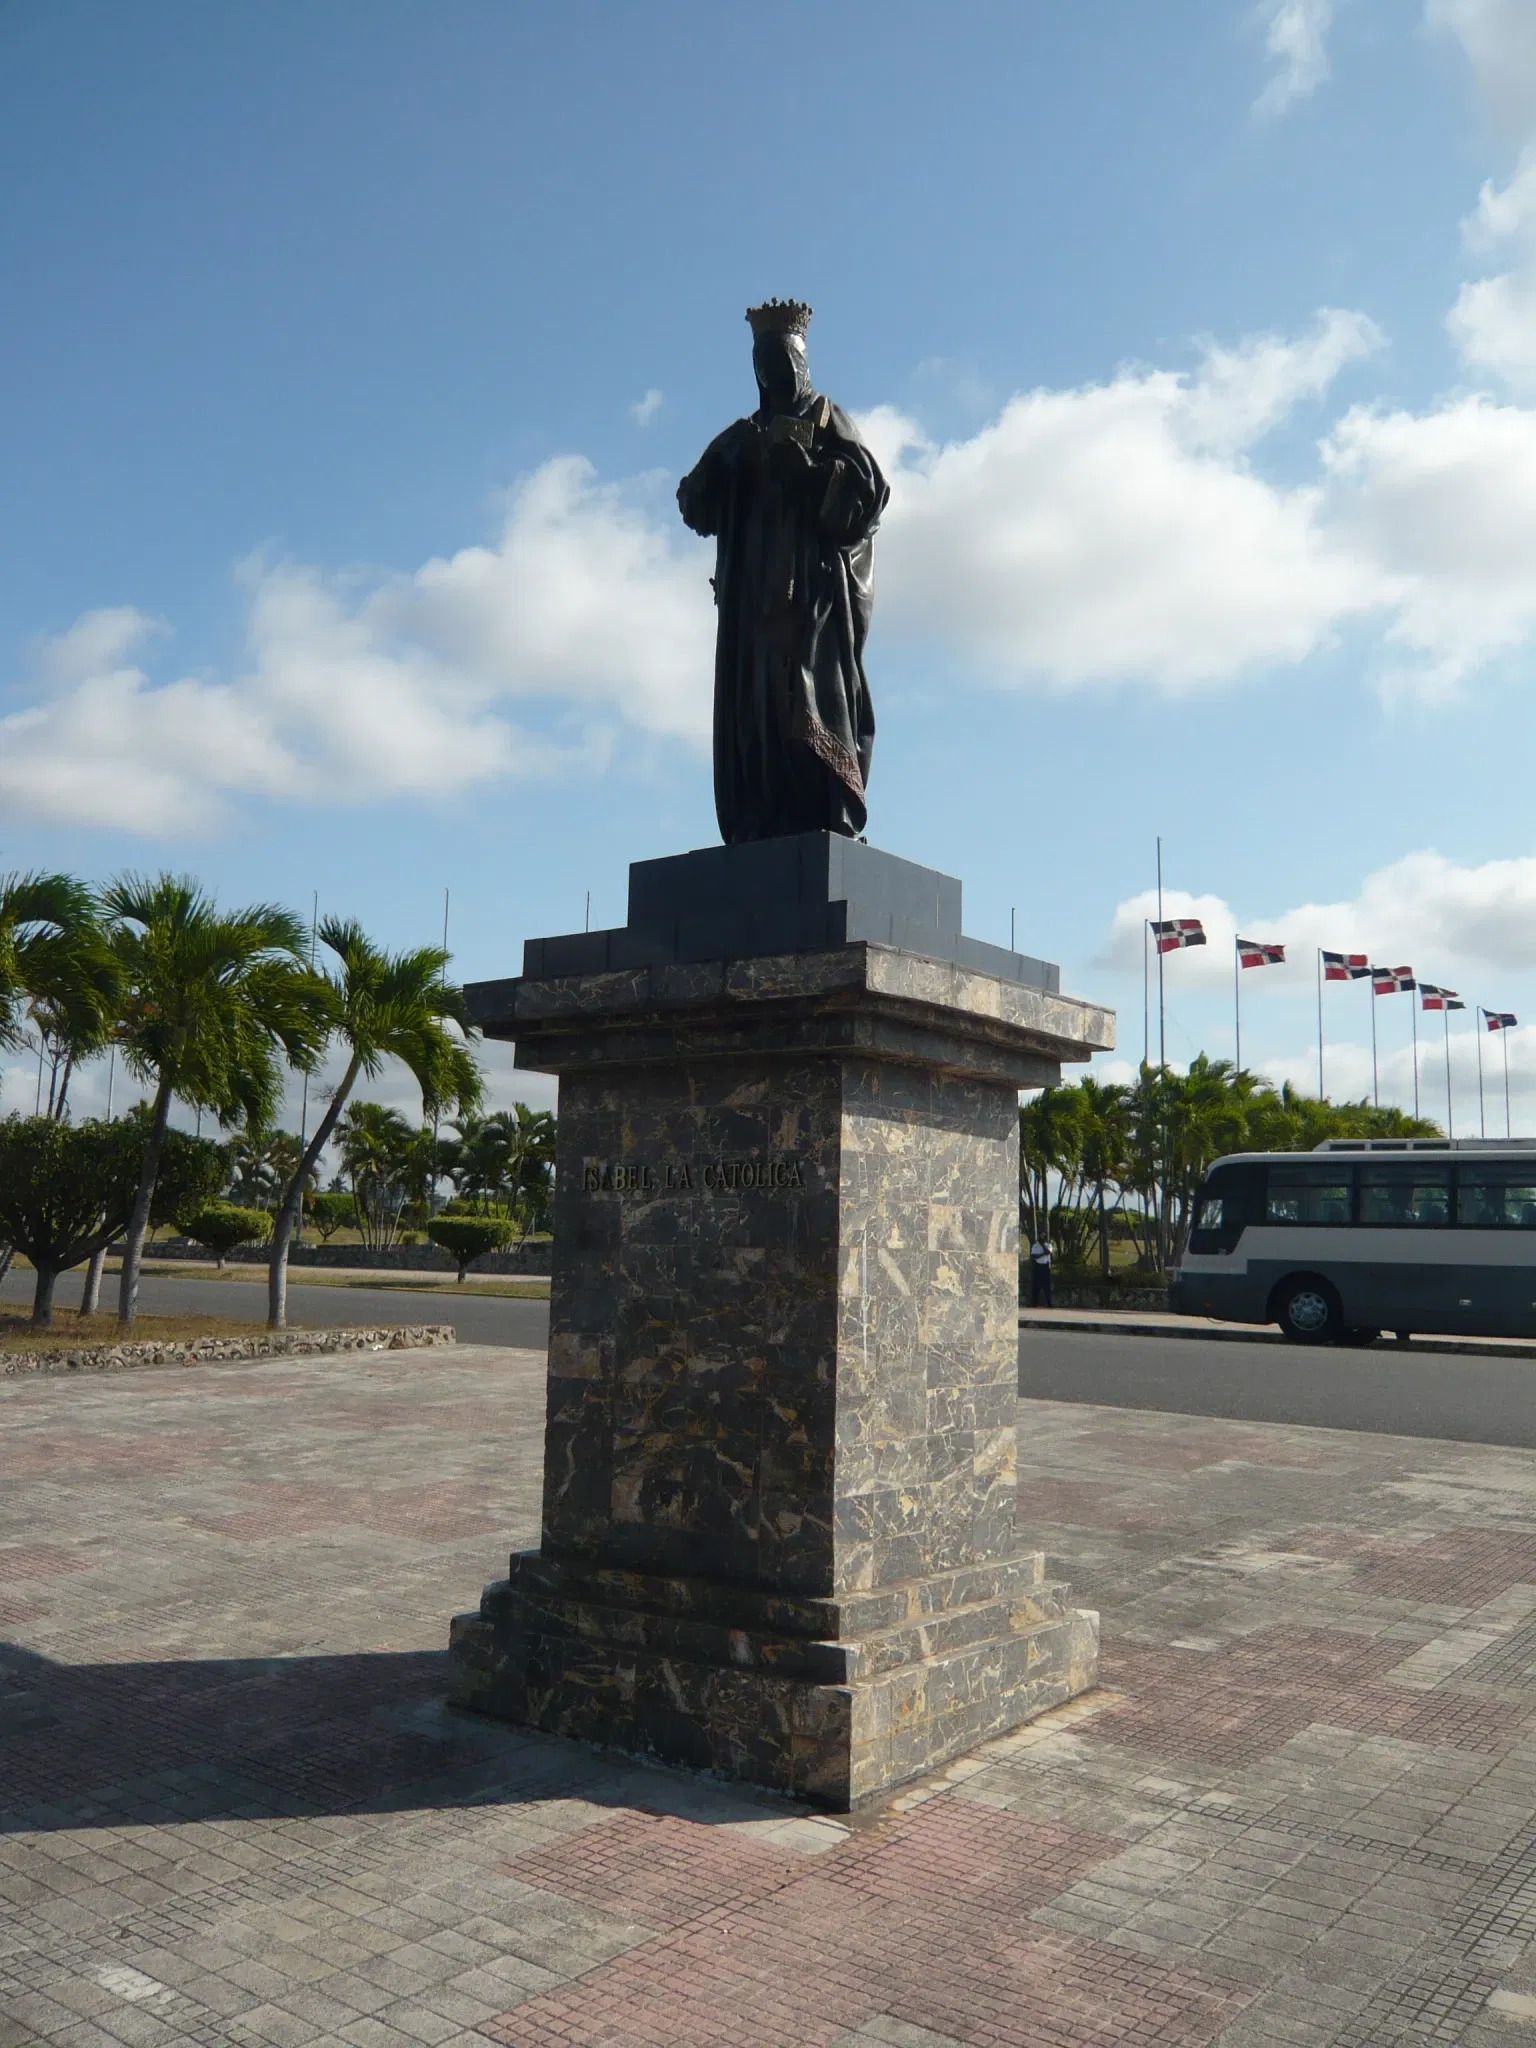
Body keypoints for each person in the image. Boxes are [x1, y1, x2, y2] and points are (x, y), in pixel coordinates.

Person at [677, 300, 889, 844]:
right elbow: (692, 502)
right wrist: (732, 465)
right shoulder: (743, 433)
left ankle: (824, 810)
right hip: (752, 602)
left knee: (808, 698)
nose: (773, 373)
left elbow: (869, 497)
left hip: (811, 598)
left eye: (782, 360)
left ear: (799, 362)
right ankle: (760, 815)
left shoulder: (828, 421)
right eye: (763, 363)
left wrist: (811, 473)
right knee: (757, 708)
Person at [1029, 1234, 1053, 1308]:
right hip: (1037, 1266)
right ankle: (1034, 1303)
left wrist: (1043, 1245)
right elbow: (1034, 1256)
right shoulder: (1035, 1246)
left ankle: (1049, 1303)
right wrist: (1043, 1254)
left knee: (1047, 1286)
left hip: (1046, 1266)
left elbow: (1048, 1252)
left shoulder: (1048, 1245)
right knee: (1036, 1286)